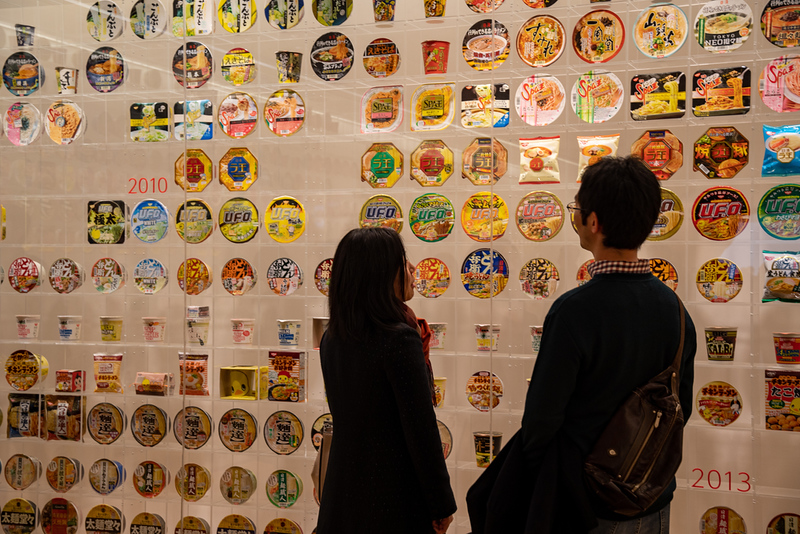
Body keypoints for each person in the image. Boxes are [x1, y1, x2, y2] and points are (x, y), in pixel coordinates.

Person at [467, 156, 696, 534]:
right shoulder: (674, 309)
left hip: (583, 505)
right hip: (650, 497)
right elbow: (678, 406)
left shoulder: (574, 310)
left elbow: (542, 419)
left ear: (593, 222)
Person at [317, 227, 456, 534]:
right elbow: (420, 428)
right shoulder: (399, 338)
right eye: (402, 261)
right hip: (393, 500)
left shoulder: (332, 337)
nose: (411, 270)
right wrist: (441, 502)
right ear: (381, 274)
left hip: (342, 495)